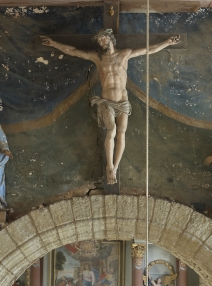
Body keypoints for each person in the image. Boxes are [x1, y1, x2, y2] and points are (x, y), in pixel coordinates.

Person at [42, 29, 180, 184]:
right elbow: (73, 51)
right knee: (112, 130)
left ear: (111, 38)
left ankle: (115, 168)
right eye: (99, 41)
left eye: (104, 38)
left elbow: (148, 50)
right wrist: (53, 44)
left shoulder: (125, 54)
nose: (102, 42)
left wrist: (167, 42)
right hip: (107, 102)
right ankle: (109, 165)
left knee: (121, 133)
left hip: (123, 101)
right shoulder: (98, 58)